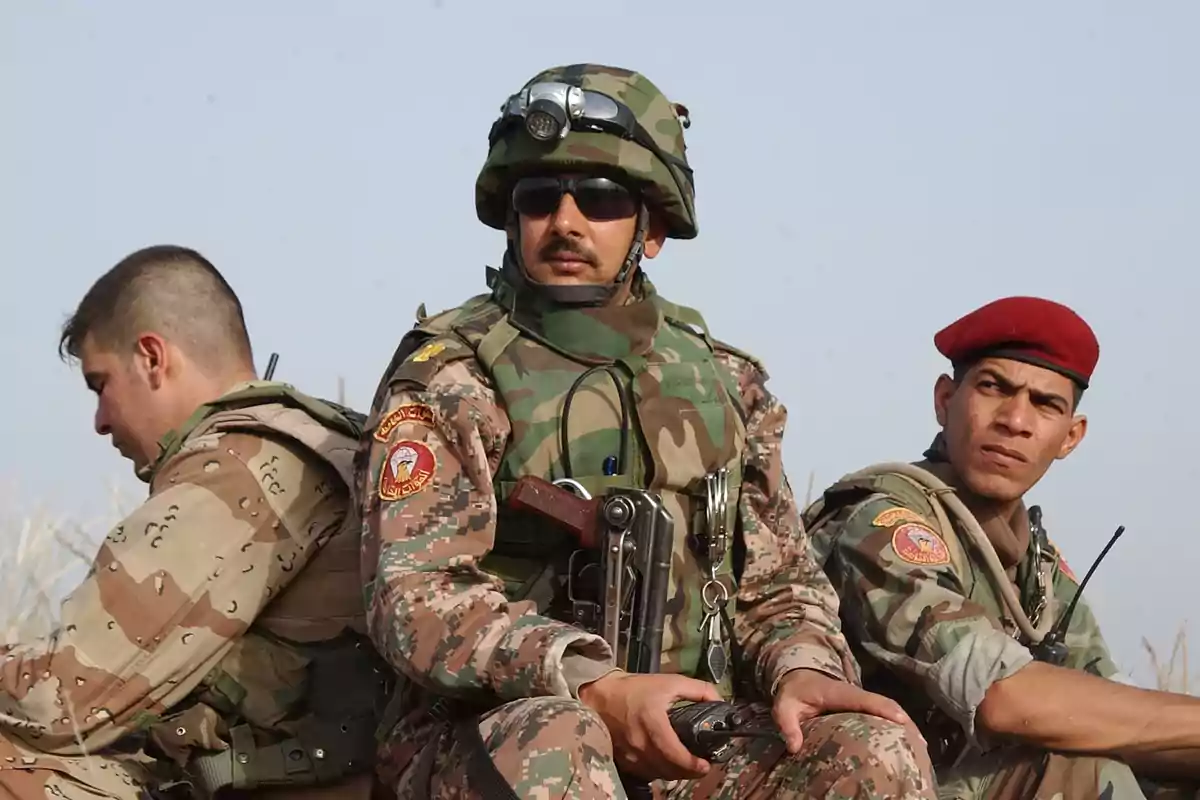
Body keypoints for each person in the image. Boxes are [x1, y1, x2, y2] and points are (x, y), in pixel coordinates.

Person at [356, 63, 936, 800]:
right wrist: (587, 682)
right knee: (558, 743)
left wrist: (804, 669)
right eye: (539, 199)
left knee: (872, 750)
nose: (565, 223)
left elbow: (779, 583)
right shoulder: (454, 374)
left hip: (690, 731)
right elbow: (412, 595)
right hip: (497, 730)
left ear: (652, 228)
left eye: (598, 201)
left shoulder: (725, 383)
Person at [0, 245, 391, 799]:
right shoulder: (311, 441)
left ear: (152, 358)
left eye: (100, 385)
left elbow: (62, 699)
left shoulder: (243, 465)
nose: (99, 421)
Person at [803, 295, 1200, 798]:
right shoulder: (885, 522)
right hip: (856, 779)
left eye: (1045, 404)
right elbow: (1002, 697)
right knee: (1084, 777)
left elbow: (1111, 710)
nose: (1015, 420)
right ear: (946, 400)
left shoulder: (1039, 569)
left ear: (1070, 437)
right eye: (994, 388)